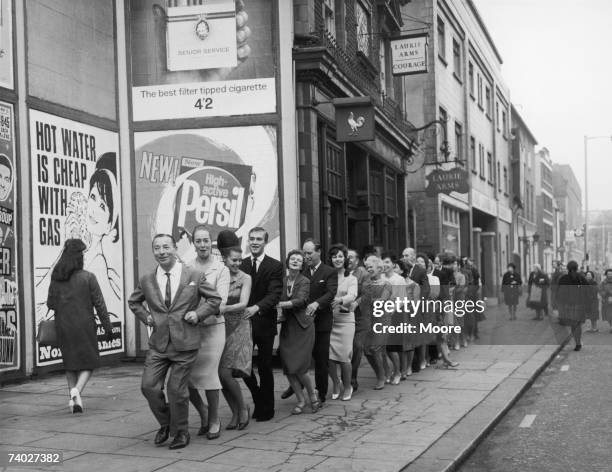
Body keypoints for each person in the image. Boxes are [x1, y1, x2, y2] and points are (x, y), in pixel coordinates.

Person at [128, 234, 221, 450]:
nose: (161, 251)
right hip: (158, 344)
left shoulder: (194, 275)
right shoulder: (147, 279)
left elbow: (214, 300)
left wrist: (198, 314)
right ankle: (166, 423)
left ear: (175, 248)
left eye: (166, 247)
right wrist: (146, 317)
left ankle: (181, 432)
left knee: (176, 389)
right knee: (148, 386)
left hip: (185, 342)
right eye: (157, 248)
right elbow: (134, 302)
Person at [46, 239, 113, 413]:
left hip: (63, 325)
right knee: (89, 363)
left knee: (70, 364)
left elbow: (50, 304)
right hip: (85, 325)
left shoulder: (57, 277)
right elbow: (100, 304)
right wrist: (108, 327)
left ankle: (75, 401)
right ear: (78, 257)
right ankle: (77, 390)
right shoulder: (88, 277)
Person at [186, 225, 229, 439]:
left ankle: (213, 419)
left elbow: (220, 303)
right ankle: (202, 411)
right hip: (190, 330)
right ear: (193, 243)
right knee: (186, 377)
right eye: (198, 241)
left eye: (205, 241)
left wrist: (198, 313)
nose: (202, 245)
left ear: (210, 243)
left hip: (213, 329)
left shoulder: (221, 269)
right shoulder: (186, 267)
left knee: (210, 375)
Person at [239, 227, 283, 422]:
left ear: (265, 242)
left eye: (259, 239)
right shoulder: (241, 264)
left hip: (264, 322)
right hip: (243, 324)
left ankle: (268, 407)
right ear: (248, 241)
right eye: (252, 239)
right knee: (243, 367)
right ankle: (258, 399)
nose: (255, 242)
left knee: (264, 367)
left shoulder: (275, 266)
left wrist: (256, 308)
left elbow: (274, 294)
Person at [217, 231, 253, 431]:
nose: (237, 263)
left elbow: (243, 303)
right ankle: (235, 412)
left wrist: (223, 309)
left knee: (226, 372)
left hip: (238, 327)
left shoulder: (245, 278)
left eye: (240, 260)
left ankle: (243, 408)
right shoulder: (219, 275)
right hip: (220, 328)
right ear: (224, 259)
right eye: (234, 260)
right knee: (220, 376)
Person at [277, 250, 320, 413]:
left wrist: (281, 304)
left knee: (300, 367)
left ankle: (313, 395)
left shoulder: (305, 281)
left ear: (302, 265)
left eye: (299, 260)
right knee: (288, 367)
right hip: (288, 326)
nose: (295, 261)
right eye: (292, 259)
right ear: (288, 262)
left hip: (303, 327)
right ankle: (301, 400)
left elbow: (301, 300)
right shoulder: (283, 280)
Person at [299, 239, 338, 403]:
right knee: (300, 356)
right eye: (304, 253)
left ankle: (321, 393)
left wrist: (317, 304)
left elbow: (330, 293)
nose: (306, 256)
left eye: (309, 253)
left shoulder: (329, 271)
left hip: (322, 322)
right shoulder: (301, 270)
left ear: (318, 252)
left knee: (321, 359)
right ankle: (296, 386)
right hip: (303, 322)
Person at [328, 244, 357, 400]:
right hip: (329, 320)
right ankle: (335, 382)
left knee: (345, 356)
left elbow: (352, 295)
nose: (337, 259)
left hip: (345, 321)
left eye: (340, 256)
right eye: (334, 256)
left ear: (345, 258)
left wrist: (340, 299)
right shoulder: (328, 275)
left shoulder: (351, 278)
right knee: (329, 357)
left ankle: (347, 386)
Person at [361, 255, 392, 390]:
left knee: (376, 348)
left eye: (371, 267)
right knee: (368, 349)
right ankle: (384, 372)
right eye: (366, 267)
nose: (368, 269)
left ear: (379, 268)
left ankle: (381, 377)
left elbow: (381, 300)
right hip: (368, 319)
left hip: (382, 319)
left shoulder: (387, 284)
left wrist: (365, 300)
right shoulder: (366, 283)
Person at [381, 252, 409, 384]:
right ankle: (388, 371)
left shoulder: (399, 279)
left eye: (387, 262)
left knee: (393, 348)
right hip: (380, 315)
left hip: (395, 315)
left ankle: (397, 372)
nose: (384, 264)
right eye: (383, 262)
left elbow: (402, 300)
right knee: (382, 348)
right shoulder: (379, 277)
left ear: (393, 264)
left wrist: (390, 310)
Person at [348, 248, 369, 391]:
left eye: (351, 257)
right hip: (343, 316)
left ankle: (352, 377)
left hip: (360, 316)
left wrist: (357, 302)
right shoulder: (339, 272)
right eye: (346, 257)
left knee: (357, 346)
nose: (348, 259)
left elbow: (368, 293)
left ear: (357, 259)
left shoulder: (363, 273)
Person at [557, 260, 588, 351]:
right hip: (580, 304)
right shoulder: (581, 278)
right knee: (578, 324)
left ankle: (577, 342)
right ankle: (578, 342)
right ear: (576, 268)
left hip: (568, 305)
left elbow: (559, 293)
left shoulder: (563, 278)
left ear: (568, 268)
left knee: (573, 325)